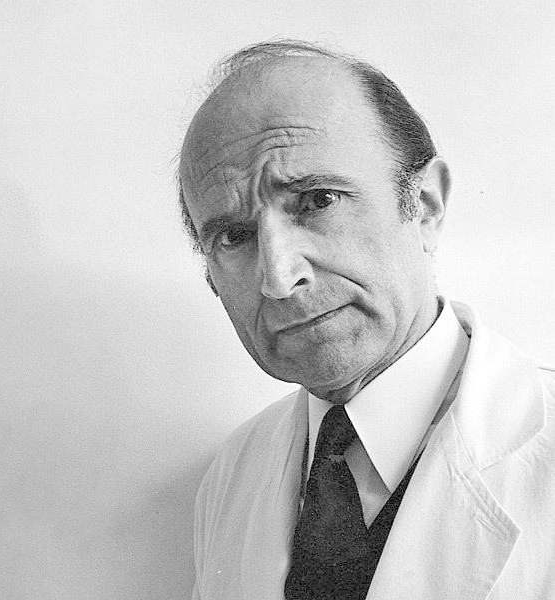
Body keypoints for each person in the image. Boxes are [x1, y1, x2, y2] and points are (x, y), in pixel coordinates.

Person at [178, 40, 555, 600]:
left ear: (425, 206)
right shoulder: (231, 476)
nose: (278, 277)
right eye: (233, 236)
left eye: (317, 200)